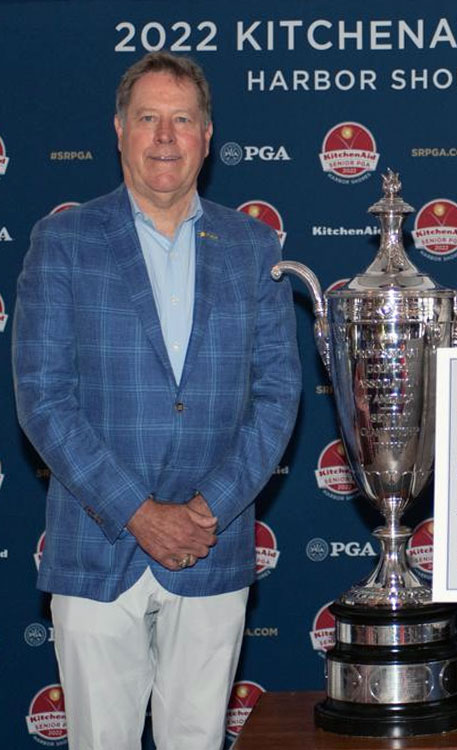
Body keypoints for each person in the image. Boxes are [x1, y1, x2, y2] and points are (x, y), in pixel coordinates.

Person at [13, 51, 301, 749]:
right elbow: (43, 399)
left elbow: (278, 395)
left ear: (208, 137)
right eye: (148, 118)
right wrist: (140, 514)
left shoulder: (254, 245)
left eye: (181, 120)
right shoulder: (63, 242)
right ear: (119, 130)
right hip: (96, 546)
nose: (164, 136)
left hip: (213, 544)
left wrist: (205, 510)